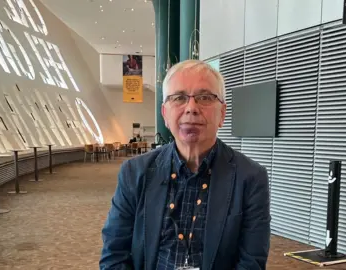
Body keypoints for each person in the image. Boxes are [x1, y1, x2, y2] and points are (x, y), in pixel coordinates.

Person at [100, 60, 271, 270]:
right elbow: (114, 255)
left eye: (205, 97)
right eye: (179, 98)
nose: (191, 108)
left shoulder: (251, 178)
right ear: (165, 114)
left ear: (222, 114)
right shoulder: (134, 173)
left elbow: (251, 263)